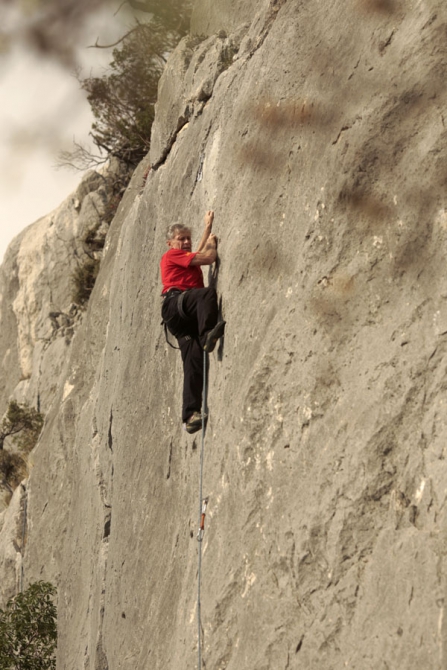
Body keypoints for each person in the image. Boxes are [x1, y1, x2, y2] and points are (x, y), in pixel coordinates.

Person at [160, 210, 225, 434]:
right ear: (170, 243)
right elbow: (207, 257)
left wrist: (207, 228)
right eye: (181, 239)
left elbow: (196, 253)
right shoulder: (171, 255)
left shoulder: (185, 260)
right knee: (206, 294)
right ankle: (208, 334)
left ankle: (190, 415)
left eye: (188, 237)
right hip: (177, 304)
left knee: (194, 362)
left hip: (180, 319)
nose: (186, 242)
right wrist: (213, 243)